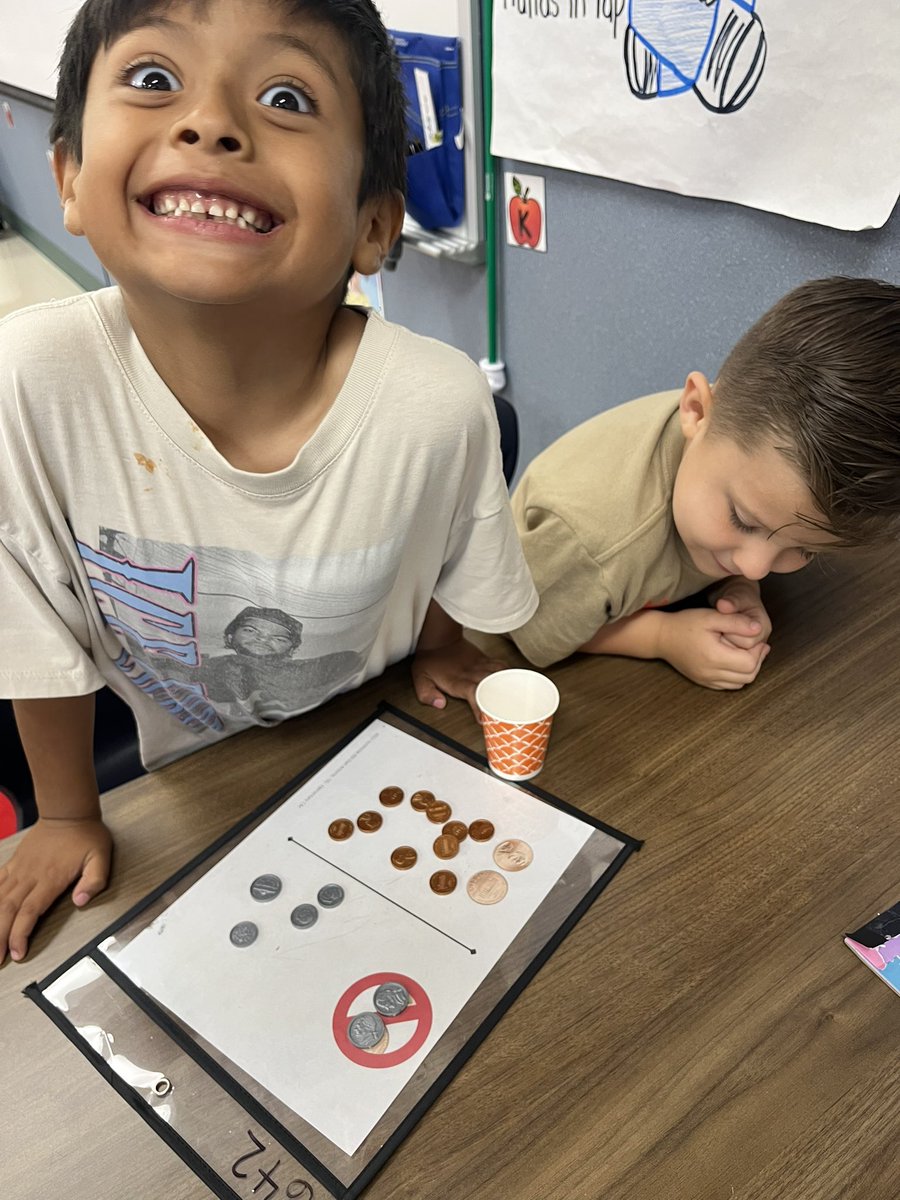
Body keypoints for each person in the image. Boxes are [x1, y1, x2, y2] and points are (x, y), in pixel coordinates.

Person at [0, 0, 537, 963]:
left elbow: (443, 545)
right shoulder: (27, 382)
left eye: (286, 96)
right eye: (155, 79)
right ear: (71, 178)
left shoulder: (438, 403)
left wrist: (446, 642)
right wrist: (66, 812)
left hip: (370, 758)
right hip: (192, 783)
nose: (209, 123)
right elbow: (31, 628)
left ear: (375, 226)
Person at [509, 276, 900, 687]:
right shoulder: (593, 543)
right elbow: (531, 628)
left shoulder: (737, 452)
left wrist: (739, 589)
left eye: (803, 549)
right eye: (742, 520)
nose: (757, 566)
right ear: (695, 409)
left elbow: (752, 559)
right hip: (549, 593)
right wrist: (662, 638)